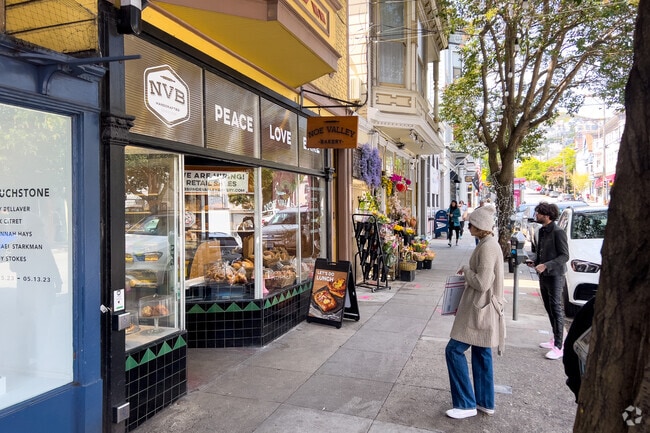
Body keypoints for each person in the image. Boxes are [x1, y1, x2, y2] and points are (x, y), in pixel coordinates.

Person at [445, 204, 505, 419]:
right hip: (485, 308)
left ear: (480, 227)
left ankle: (465, 403)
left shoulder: (487, 247)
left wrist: (467, 270)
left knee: (453, 350)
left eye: (471, 224)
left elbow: (482, 282)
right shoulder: (488, 243)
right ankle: (484, 402)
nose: (468, 227)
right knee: (482, 353)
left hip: (480, 308)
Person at [526, 202, 569, 360]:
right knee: (549, 308)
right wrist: (535, 261)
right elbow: (541, 252)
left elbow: (564, 256)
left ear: (547, 215)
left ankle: (559, 345)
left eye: (539, 213)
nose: (536, 215)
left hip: (555, 275)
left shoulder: (558, 232)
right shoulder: (542, 231)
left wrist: (546, 265)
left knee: (556, 308)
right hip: (543, 275)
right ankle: (555, 339)